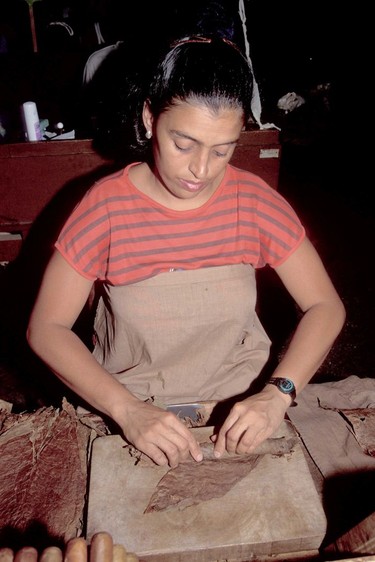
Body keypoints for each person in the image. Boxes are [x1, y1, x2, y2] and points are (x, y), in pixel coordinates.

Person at [26, 34, 345, 469]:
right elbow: (46, 328)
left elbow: (325, 306)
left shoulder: (253, 201)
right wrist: (126, 410)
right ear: (149, 117)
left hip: (241, 407)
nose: (201, 170)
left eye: (222, 150)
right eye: (183, 143)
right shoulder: (105, 207)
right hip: (131, 409)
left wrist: (278, 394)